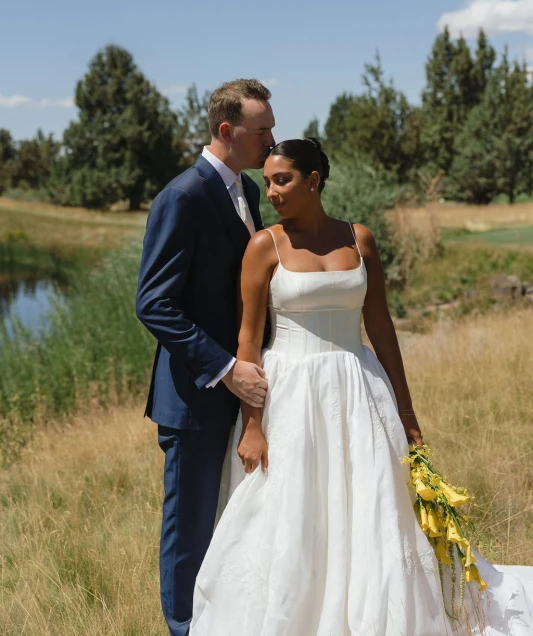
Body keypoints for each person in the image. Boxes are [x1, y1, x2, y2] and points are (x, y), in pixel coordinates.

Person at [190, 137, 533, 635]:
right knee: (291, 511)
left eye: (282, 179)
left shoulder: (359, 239)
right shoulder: (264, 245)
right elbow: (247, 341)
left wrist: (408, 414)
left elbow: (383, 328)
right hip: (291, 393)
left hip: (359, 387)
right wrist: (254, 425)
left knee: (375, 507)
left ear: (314, 180)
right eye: (266, 182)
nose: (272, 192)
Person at [136, 79, 276, 636]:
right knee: (189, 528)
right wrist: (226, 368)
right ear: (227, 130)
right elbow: (153, 303)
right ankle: (182, 628)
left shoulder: (247, 190)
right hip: (195, 395)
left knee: (232, 519)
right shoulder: (184, 195)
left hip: (244, 391)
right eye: (262, 129)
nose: (272, 138)